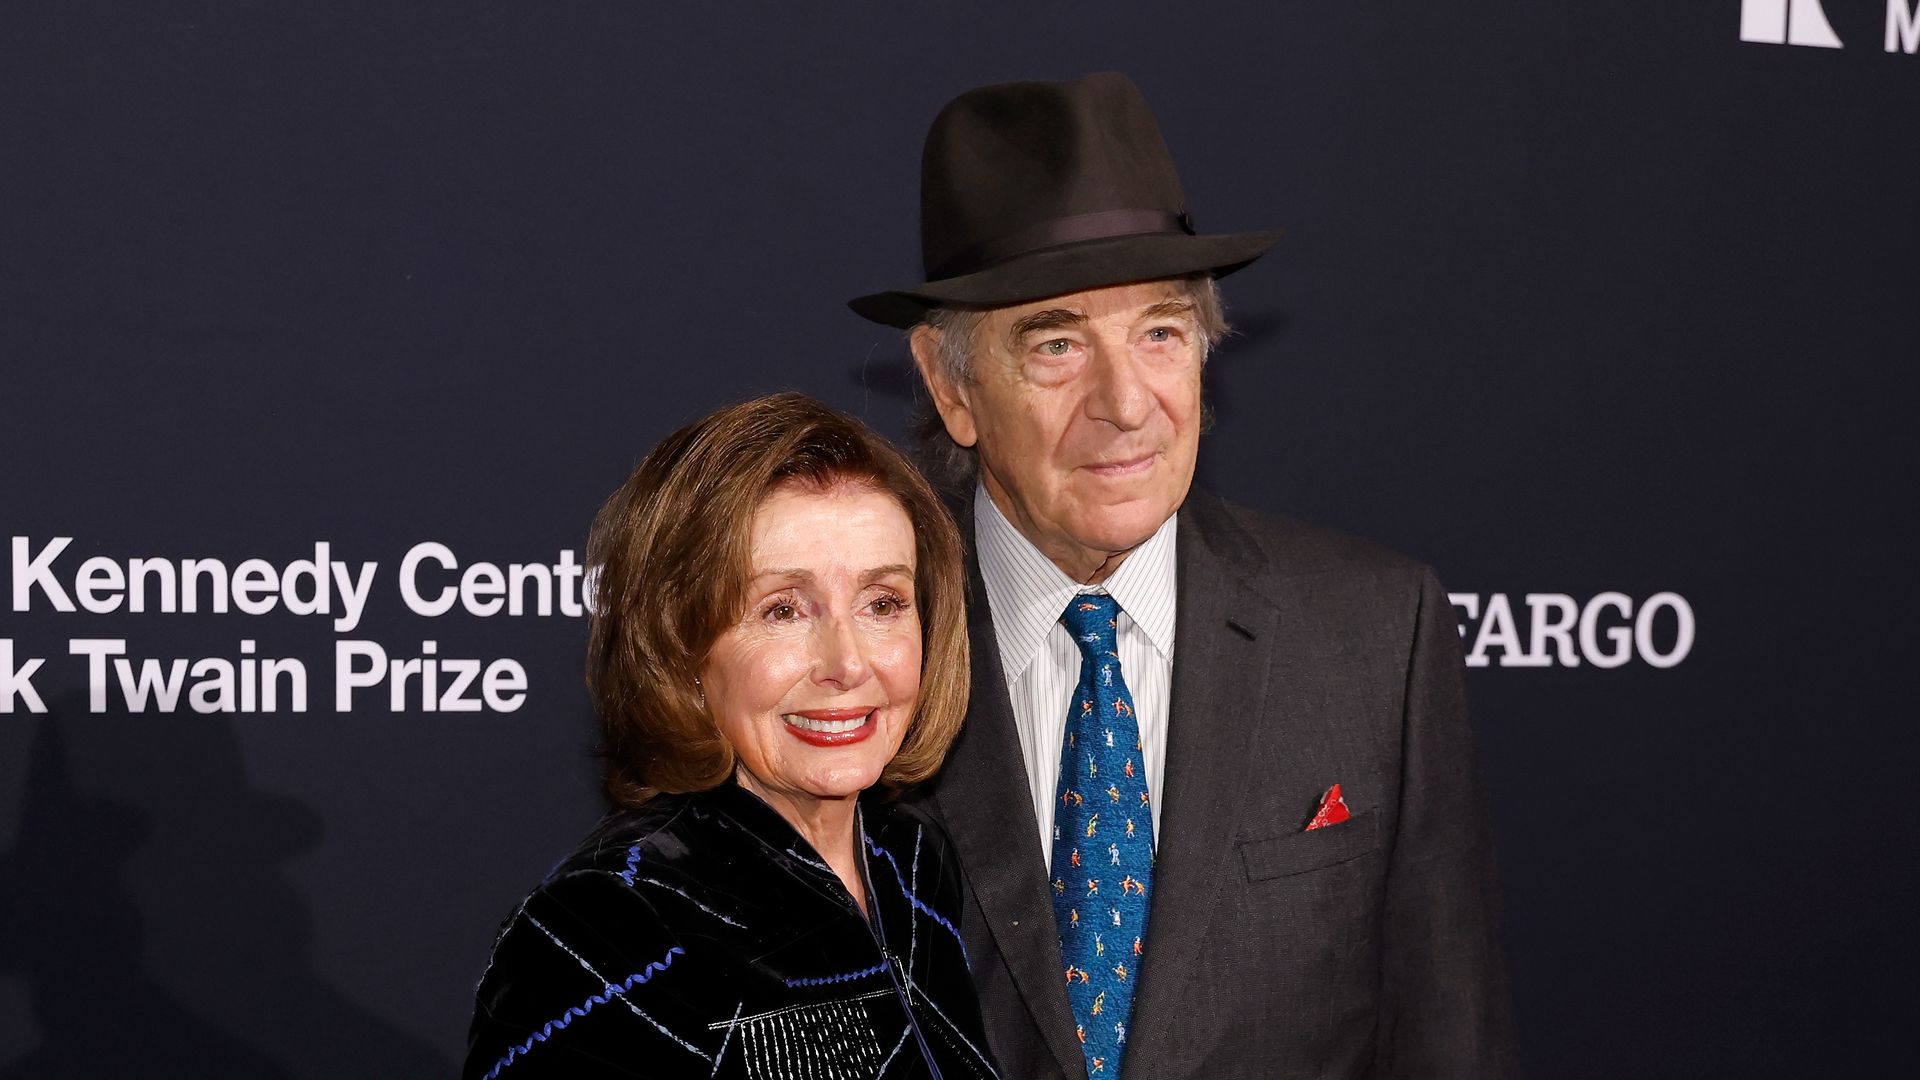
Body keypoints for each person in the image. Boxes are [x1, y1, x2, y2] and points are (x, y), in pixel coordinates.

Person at [848, 73, 1521, 1079]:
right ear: (953, 387)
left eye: (1160, 333)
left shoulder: (1378, 634)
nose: (1127, 401)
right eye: (1058, 342)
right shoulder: (850, 650)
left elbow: (1445, 1040)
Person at [464, 393, 1000, 1080]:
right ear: (681, 645)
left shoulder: (914, 865)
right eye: (782, 610)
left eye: (883, 603)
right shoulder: (610, 927)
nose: (847, 664)